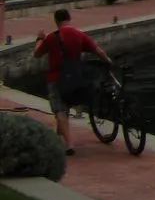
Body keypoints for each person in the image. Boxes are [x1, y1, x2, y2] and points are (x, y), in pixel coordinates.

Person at [33, 9, 108, 155]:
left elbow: (37, 53)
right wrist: (108, 61)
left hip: (55, 79)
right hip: (74, 78)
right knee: (65, 107)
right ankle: (58, 137)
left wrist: (39, 39)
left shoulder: (52, 37)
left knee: (60, 110)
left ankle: (69, 145)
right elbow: (99, 51)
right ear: (69, 18)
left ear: (56, 21)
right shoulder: (80, 35)